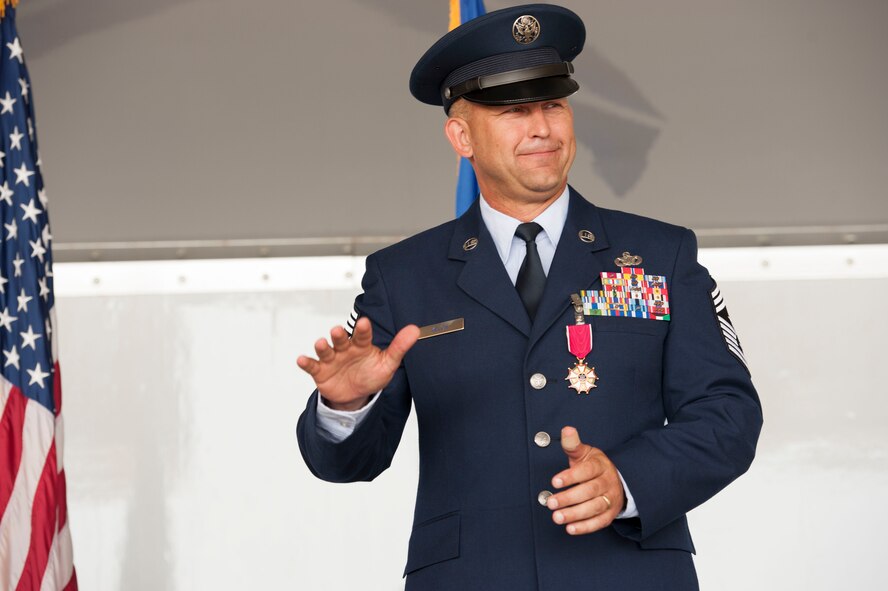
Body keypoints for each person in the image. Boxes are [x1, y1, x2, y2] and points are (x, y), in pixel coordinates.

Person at [296, 4, 762, 589]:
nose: (542, 128)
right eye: (514, 110)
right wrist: (346, 409)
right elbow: (348, 464)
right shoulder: (403, 277)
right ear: (461, 135)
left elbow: (729, 415)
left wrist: (627, 480)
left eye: (553, 104)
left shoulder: (660, 255)